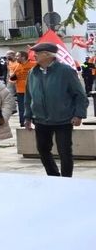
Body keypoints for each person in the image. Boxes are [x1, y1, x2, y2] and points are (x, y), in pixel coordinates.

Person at [24, 41, 88, 178]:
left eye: (37, 53)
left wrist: (79, 114)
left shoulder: (66, 71)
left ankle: (66, 180)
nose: (34, 55)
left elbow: (80, 95)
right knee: (42, 150)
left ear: (47, 55)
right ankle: (53, 177)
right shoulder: (32, 72)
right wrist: (27, 117)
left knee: (64, 152)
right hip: (40, 120)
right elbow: (28, 96)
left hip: (63, 120)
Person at [9, 53, 30, 126]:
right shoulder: (17, 66)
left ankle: (33, 122)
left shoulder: (33, 64)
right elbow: (12, 78)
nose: (16, 57)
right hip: (20, 91)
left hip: (31, 91)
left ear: (23, 57)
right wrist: (12, 77)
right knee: (22, 108)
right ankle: (22, 123)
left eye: (18, 56)